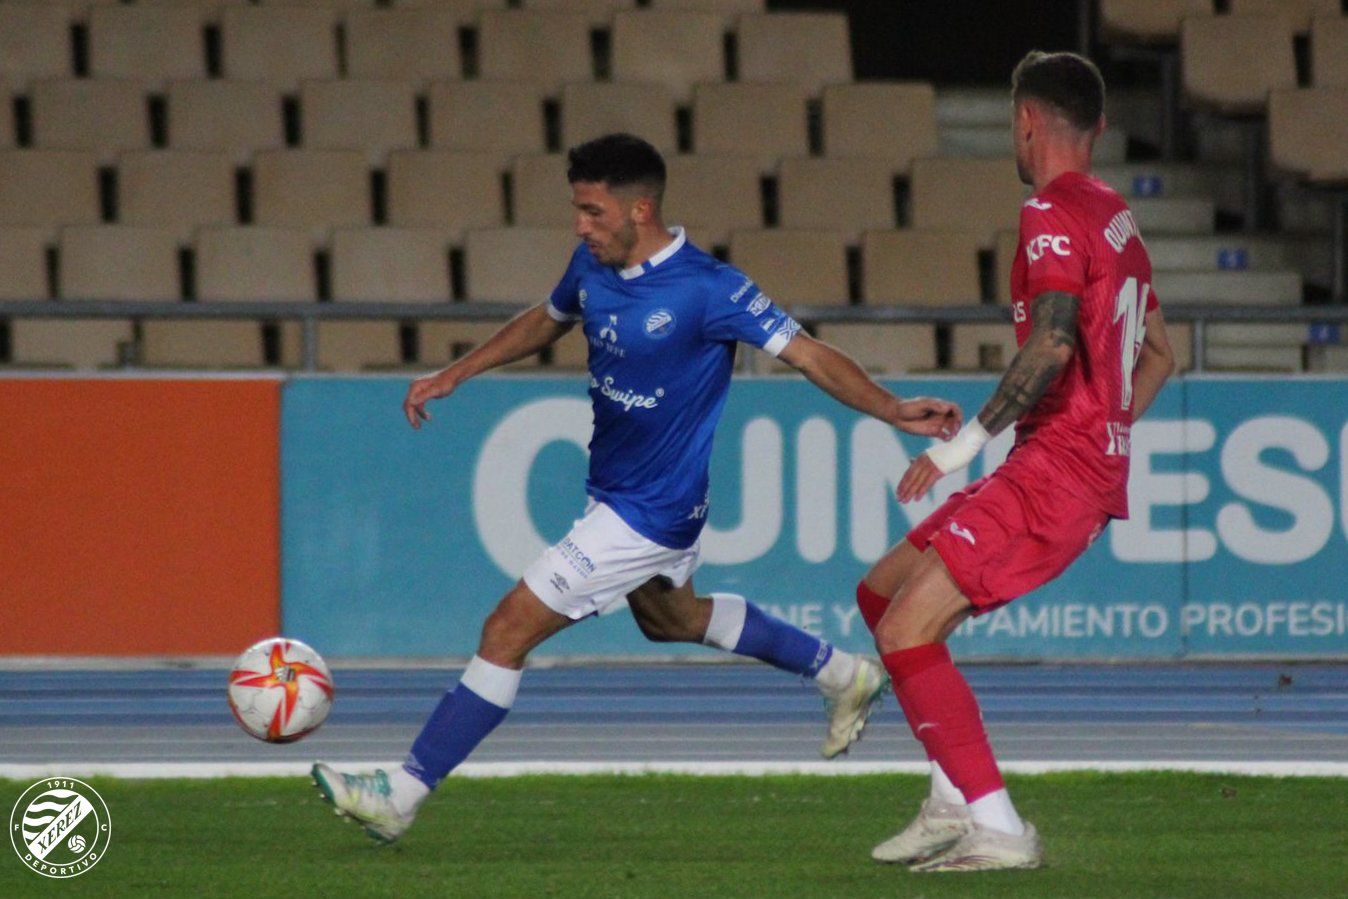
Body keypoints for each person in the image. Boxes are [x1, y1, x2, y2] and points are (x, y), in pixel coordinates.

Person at [312, 133, 962, 843]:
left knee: (506, 629)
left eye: (592, 212)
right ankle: (842, 674)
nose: (579, 226)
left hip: (648, 513)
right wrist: (456, 372)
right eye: (577, 211)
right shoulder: (592, 264)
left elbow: (808, 354)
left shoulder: (709, 288)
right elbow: (547, 318)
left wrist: (891, 407)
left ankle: (398, 795)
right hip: (617, 492)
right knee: (673, 620)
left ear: (640, 208)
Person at [855, 52, 1177, 872]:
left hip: (1053, 470)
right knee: (882, 591)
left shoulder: (1049, 211)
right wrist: (1109, 430)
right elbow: (1161, 355)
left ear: (1027, 122)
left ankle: (1000, 828)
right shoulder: (1119, 220)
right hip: (1069, 462)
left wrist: (966, 443)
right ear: (1098, 127)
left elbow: (1056, 335)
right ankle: (953, 793)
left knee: (905, 629)